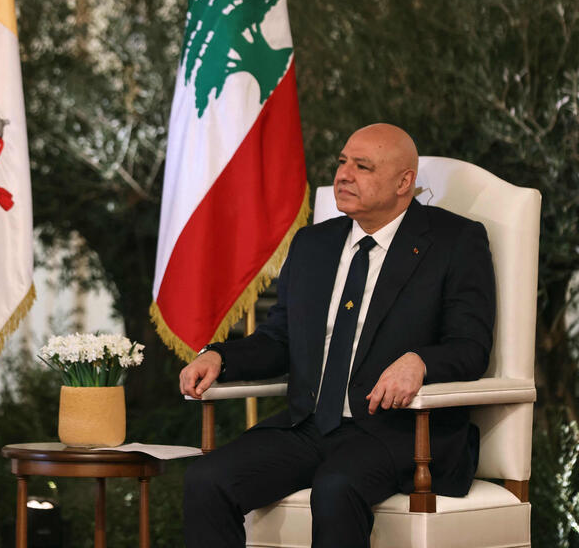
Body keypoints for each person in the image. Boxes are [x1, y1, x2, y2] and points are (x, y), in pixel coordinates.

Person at [179, 123, 495, 547]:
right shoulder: (313, 244)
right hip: (309, 426)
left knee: (335, 487)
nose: (343, 175)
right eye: (343, 162)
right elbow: (279, 340)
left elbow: (470, 347)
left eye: (363, 167)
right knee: (206, 479)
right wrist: (219, 356)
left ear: (404, 182)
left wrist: (419, 361)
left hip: (398, 430)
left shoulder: (455, 241)